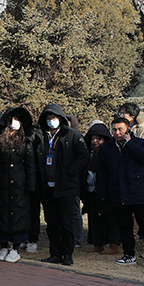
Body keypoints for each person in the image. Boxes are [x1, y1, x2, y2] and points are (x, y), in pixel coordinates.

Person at [97, 117, 144, 267]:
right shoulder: (107, 148)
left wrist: (129, 144)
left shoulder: (141, 144)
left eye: (121, 129)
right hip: (118, 192)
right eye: (114, 130)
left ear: (128, 129)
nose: (117, 133)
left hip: (139, 192)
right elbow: (102, 172)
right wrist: (102, 194)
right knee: (124, 226)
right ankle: (129, 254)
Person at [34, 105, 89, 267]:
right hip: (47, 186)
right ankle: (55, 253)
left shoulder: (72, 135)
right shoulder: (41, 136)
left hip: (66, 187)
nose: (51, 121)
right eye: (48, 118)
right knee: (52, 223)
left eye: (54, 117)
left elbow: (83, 156)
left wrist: (69, 172)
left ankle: (67, 254)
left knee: (66, 222)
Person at [0, 108, 36, 263]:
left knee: (19, 213)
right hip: (1, 182)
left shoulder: (26, 140)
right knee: (2, 212)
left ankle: (16, 247)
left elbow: (30, 165)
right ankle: (3, 244)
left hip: (19, 183)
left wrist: (31, 185)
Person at [82, 122, 120, 255]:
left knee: (111, 219)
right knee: (95, 219)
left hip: (108, 192)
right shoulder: (89, 152)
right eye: (92, 138)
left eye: (98, 138)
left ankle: (114, 245)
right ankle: (98, 244)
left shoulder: (110, 153)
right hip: (92, 191)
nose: (95, 141)